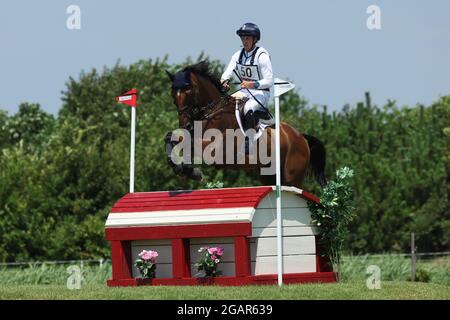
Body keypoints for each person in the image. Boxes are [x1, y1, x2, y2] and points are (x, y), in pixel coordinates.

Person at [221, 22, 274, 154]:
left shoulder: (262, 56)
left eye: (247, 39)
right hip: (244, 91)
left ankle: (249, 142)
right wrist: (224, 81)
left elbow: (269, 81)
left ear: (254, 39)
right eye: (243, 38)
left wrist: (253, 84)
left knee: (248, 107)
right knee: (224, 105)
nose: (244, 41)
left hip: (261, 93)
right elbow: (227, 72)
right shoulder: (238, 55)